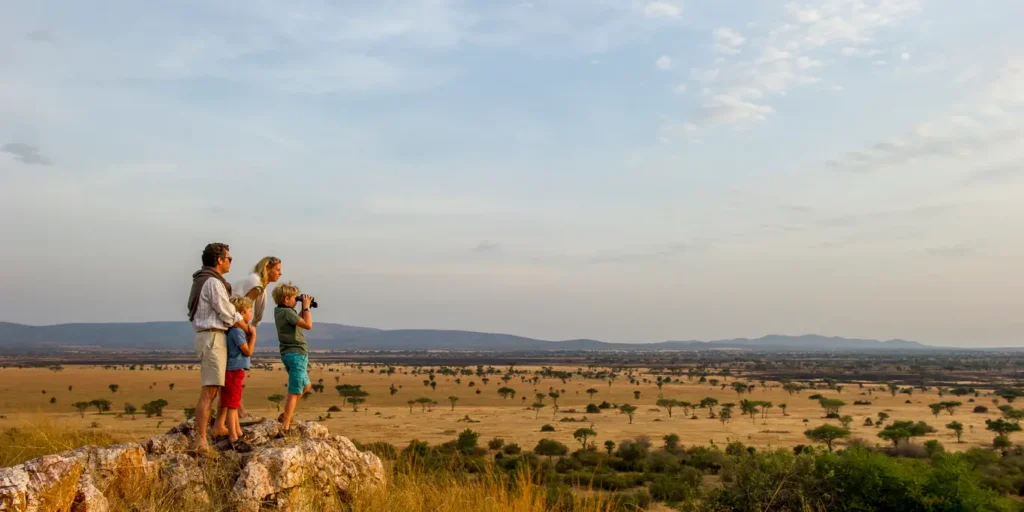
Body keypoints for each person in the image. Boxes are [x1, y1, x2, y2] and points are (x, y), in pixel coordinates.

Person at [186, 242, 252, 453]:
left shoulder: (204, 280)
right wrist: (246, 327)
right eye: (229, 258)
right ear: (219, 260)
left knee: (219, 388)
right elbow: (227, 313)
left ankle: (217, 428)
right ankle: (201, 440)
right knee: (210, 390)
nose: (231, 262)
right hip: (212, 338)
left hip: (213, 337)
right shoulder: (213, 283)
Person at [229, 256, 282, 421]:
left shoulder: (259, 285)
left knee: (232, 376)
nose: (280, 273)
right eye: (277, 270)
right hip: (234, 327)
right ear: (268, 268)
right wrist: (249, 330)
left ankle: (237, 412)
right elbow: (243, 308)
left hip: (235, 326)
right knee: (233, 374)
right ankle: (237, 414)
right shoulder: (256, 285)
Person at [272, 281, 313, 433]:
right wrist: (307, 307)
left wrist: (303, 308)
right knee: (294, 391)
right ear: (286, 299)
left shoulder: (280, 312)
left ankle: (285, 415)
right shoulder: (288, 312)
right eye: (295, 298)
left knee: (305, 386)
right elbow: (308, 325)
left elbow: (298, 322)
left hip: (288, 354)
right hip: (297, 354)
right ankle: (285, 426)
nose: (297, 301)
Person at [217, 295, 256, 452]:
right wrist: (253, 336)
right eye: (249, 311)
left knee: (231, 402)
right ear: (241, 312)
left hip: (231, 370)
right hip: (234, 370)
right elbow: (248, 352)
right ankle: (233, 436)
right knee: (233, 405)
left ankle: (237, 431)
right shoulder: (237, 332)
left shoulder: (232, 331)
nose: (251, 314)